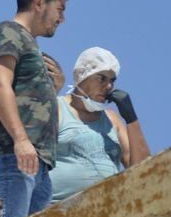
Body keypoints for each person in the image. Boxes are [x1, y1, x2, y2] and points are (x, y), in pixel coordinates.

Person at [0, 0, 71, 217]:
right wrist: (21, 140)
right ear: (39, 3)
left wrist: (53, 89)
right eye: (60, 9)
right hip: (14, 156)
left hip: (37, 163)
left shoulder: (29, 43)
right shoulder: (7, 32)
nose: (62, 19)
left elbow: (28, 101)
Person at [49, 47, 151, 203]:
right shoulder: (57, 108)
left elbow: (145, 171)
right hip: (58, 208)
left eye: (112, 80)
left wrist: (131, 119)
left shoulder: (112, 119)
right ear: (82, 76)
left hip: (109, 208)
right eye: (102, 78)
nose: (109, 86)